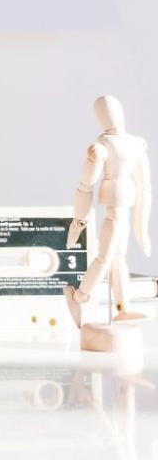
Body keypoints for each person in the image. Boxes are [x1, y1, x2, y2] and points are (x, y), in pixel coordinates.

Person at [67, 94, 151, 333]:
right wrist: (79, 220)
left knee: (118, 259)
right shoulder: (102, 148)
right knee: (105, 257)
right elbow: (85, 186)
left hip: (124, 210)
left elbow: (145, 185)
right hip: (113, 212)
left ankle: (122, 307)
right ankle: (79, 296)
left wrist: (140, 223)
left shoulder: (135, 143)